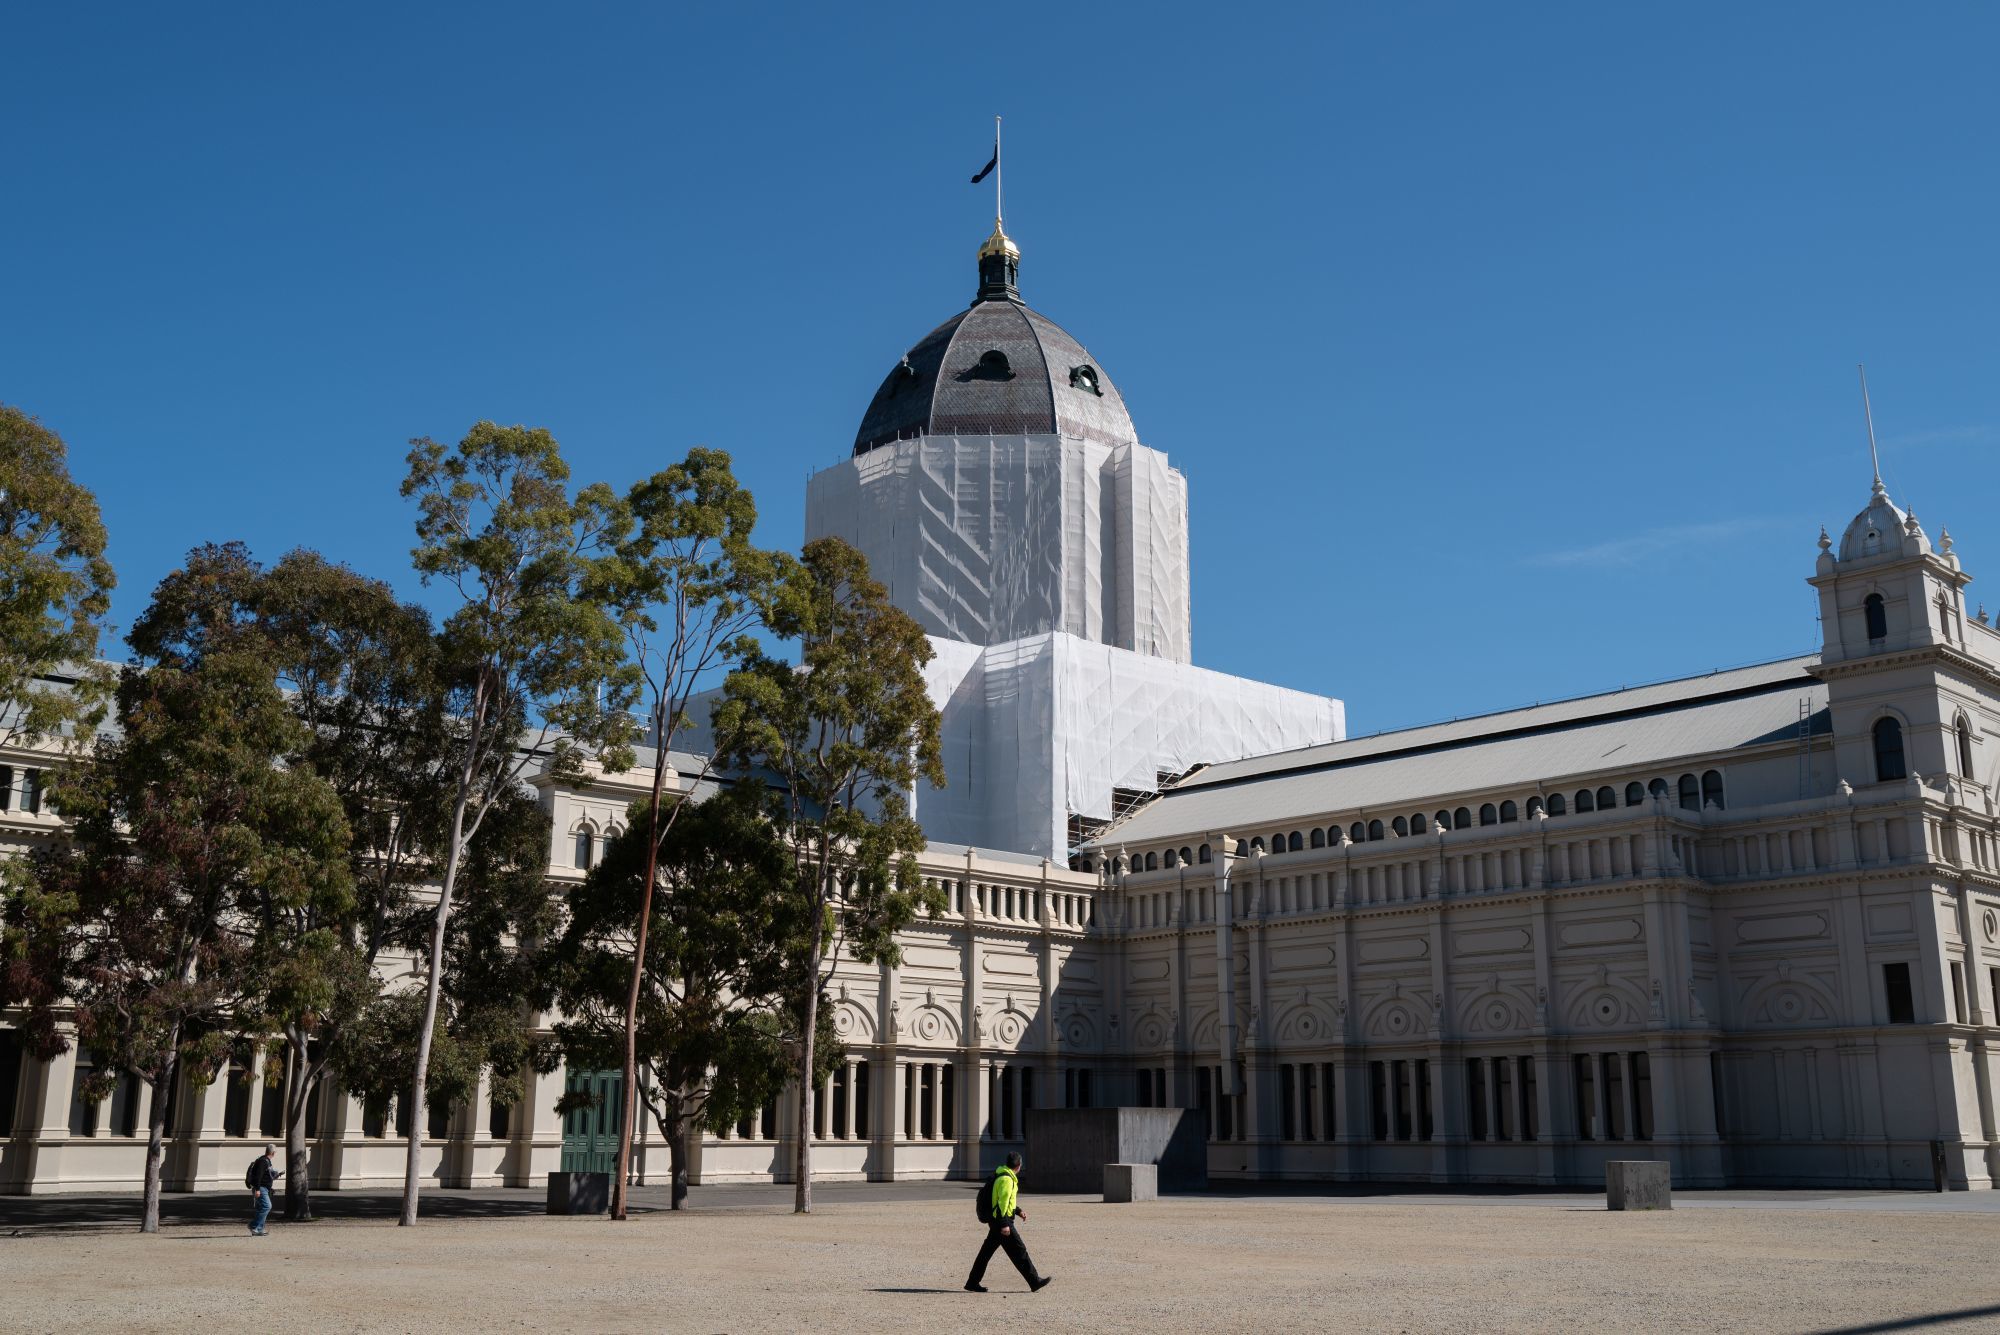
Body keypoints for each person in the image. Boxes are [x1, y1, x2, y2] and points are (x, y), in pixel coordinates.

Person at [965, 1151, 1052, 1293]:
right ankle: (1034, 1281)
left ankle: (972, 1282)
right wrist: (1004, 1224)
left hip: (996, 1221)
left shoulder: (1002, 1175)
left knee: (985, 1253)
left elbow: (1005, 1201)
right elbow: (1001, 1204)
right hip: (1002, 1222)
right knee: (1019, 1251)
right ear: (1019, 1166)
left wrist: (1017, 1211)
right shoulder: (1007, 1180)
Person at [246, 1144, 282, 1236]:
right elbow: (258, 1176)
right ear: (273, 1153)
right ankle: (253, 1226)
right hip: (261, 1188)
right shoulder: (263, 1161)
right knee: (267, 1206)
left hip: (264, 1188)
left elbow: (266, 1176)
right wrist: (258, 1189)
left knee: (260, 1208)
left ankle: (259, 1229)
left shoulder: (266, 1161)